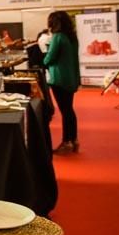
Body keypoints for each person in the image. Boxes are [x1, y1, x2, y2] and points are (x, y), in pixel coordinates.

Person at [43, 11, 81, 154]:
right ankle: (74, 140)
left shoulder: (57, 37)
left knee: (65, 111)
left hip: (58, 78)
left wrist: (43, 59)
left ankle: (66, 142)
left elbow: (49, 59)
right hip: (71, 77)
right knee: (69, 110)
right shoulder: (72, 37)